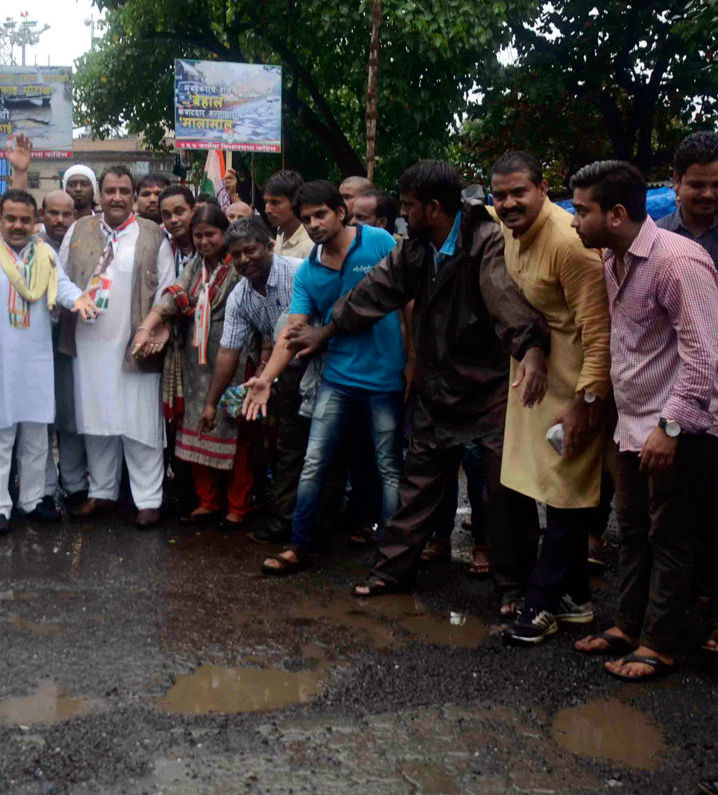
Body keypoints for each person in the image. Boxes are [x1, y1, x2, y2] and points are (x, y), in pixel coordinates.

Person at [286, 161, 550, 605]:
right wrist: (326, 331)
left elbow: (505, 299)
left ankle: (514, 588)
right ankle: (391, 572)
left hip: (487, 391)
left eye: (409, 206)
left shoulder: (483, 242)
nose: (403, 213)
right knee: (417, 486)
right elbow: (373, 292)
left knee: (503, 493)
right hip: (437, 385)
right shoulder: (415, 249)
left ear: (432, 207)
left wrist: (532, 349)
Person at [568, 160, 718, 680]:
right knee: (633, 530)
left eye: (581, 210)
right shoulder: (614, 259)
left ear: (616, 214)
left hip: (678, 431)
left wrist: (671, 428)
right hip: (635, 425)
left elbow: (705, 358)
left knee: (671, 534)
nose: (573, 221)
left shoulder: (677, 262)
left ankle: (658, 644)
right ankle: (627, 626)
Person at [244, 180, 404, 574]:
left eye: (321, 215)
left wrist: (413, 359)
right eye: (307, 218)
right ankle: (300, 546)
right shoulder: (309, 272)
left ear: (340, 212)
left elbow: (409, 302)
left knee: (389, 469)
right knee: (313, 463)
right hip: (337, 379)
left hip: (386, 378)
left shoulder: (380, 242)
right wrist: (267, 377)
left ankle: (393, 557)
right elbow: (291, 333)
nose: (314, 224)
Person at [484, 152, 611, 645]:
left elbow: (600, 337)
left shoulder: (569, 244)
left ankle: (539, 603)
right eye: (500, 196)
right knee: (544, 485)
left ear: (542, 189)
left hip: (578, 387)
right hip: (535, 379)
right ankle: (576, 599)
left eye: (520, 192)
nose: (509, 203)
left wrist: (587, 404)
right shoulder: (503, 224)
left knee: (566, 495)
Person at [0, 189, 98, 534]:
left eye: (24, 220)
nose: (17, 225)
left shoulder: (45, 253)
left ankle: (32, 501)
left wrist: (77, 298)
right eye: (11, 218)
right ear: (0, 219)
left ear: (35, 223)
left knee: (35, 435)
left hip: (35, 359)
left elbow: (61, 285)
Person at [58, 165, 177, 527]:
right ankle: (103, 493)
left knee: (139, 423)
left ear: (135, 195)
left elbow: (167, 289)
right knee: (97, 422)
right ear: (100, 195)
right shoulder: (79, 231)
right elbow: (60, 276)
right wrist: (73, 299)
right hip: (89, 343)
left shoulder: (153, 234)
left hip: (136, 343)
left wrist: (154, 329)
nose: (117, 198)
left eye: (125, 191)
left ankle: (148, 499)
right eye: (110, 190)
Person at [654, 132, 718, 660]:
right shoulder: (657, 239)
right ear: (675, 184)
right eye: (697, 185)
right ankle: (681, 602)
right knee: (678, 507)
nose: (709, 194)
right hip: (675, 397)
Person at [132, 203, 254, 526]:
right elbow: (173, 296)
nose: (203, 242)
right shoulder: (196, 266)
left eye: (211, 234)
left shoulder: (239, 265)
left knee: (235, 433)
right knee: (197, 428)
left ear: (225, 233)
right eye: (198, 235)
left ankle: (238, 506)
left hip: (236, 361)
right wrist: (148, 326)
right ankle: (207, 501)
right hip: (195, 363)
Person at [199, 217, 302, 543]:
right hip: (283, 378)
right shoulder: (240, 297)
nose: (244, 261)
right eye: (236, 255)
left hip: (331, 369)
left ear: (269, 245)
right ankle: (288, 524)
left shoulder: (300, 273)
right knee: (287, 450)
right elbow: (228, 352)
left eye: (251, 251)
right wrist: (211, 403)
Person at [37, 189, 89, 518]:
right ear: (42, 214)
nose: (59, 220)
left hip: (72, 340)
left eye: (66, 214)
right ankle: (41, 488)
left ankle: (74, 485)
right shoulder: (30, 243)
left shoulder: (85, 243)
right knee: (39, 417)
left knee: (69, 415)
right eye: (53, 213)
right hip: (34, 343)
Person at [263, 170, 313, 259]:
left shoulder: (310, 246)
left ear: (295, 202)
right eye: (266, 202)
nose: (267, 210)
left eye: (275, 202)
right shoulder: (281, 232)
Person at [159, 184, 197, 275]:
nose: (173, 220)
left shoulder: (211, 247)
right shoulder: (162, 250)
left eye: (179, 212)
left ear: (193, 211)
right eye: (167, 215)